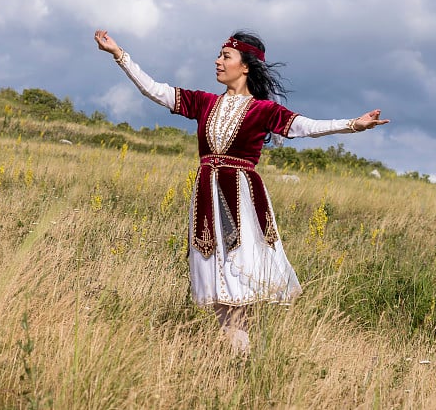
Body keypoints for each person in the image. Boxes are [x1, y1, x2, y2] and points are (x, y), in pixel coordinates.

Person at [93, 29, 389, 353]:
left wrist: (351, 124)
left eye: (225, 56)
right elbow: (156, 91)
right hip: (206, 197)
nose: (217, 61)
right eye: (219, 55)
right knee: (216, 274)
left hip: (242, 201)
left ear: (245, 66)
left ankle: (241, 354)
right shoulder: (203, 102)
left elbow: (305, 126)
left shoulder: (263, 110)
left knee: (239, 274)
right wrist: (120, 55)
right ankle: (239, 353)